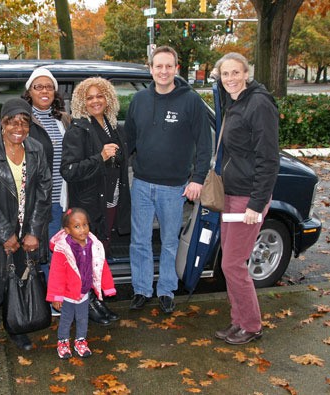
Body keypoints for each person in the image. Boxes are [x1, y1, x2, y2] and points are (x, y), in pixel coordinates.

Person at [124, 46, 212, 314]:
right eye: (158, 66)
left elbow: (204, 144)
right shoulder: (138, 100)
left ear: (176, 69)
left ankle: (166, 290)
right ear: (150, 69)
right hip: (141, 183)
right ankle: (141, 289)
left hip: (174, 187)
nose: (163, 71)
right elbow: (128, 140)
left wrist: (197, 179)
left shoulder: (191, 101)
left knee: (169, 241)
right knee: (139, 240)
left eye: (168, 66)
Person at [0, 98, 52, 361]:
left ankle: (15, 327)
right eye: (12, 121)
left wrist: (34, 231)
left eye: (24, 122)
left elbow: (43, 194)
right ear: (2, 123)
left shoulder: (36, 149)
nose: (19, 127)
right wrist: (5, 234)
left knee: (20, 280)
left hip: (26, 230)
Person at [212, 53, 279, 345]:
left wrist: (256, 204)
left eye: (235, 73)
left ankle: (251, 325)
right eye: (225, 74)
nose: (230, 78)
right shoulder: (235, 101)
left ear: (246, 73)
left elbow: (268, 159)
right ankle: (238, 321)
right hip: (231, 193)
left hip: (247, 197)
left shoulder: (259, 104)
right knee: (229, 261)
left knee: (233, 264)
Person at [61, 77, 129, 325]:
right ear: (81, 102)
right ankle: (87, 303)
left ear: (108, 98)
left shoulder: (115, 127)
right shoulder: (78, 130)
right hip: (89, 207)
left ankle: (96, 298)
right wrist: (99, 157)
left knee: (100, 254)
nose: (95, 101)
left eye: (100, 95)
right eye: (89, 97)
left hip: (111, 203)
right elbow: (68, 170)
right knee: (86, 257)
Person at [46, 208, 116, 359]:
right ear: (67, 230)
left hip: (84, 293)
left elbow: (100, 266)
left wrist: (107, 286)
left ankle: (81, 341)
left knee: (83, 319)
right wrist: (56, 297)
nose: (82, 229)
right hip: (68, 294)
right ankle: (63, 342)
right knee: (66, 319)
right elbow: (56, 274)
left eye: (85, 225)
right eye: (77, 226)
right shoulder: (62, 250)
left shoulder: (94, 245)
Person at [23, 67, 71, 250]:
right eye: (38, 87)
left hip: (63, 199)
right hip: (40, 202)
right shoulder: (24, 122)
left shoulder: (65, 120)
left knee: (61, 251)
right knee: (47, 253)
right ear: (30, 92)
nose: (44, 91)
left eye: (49, 87)